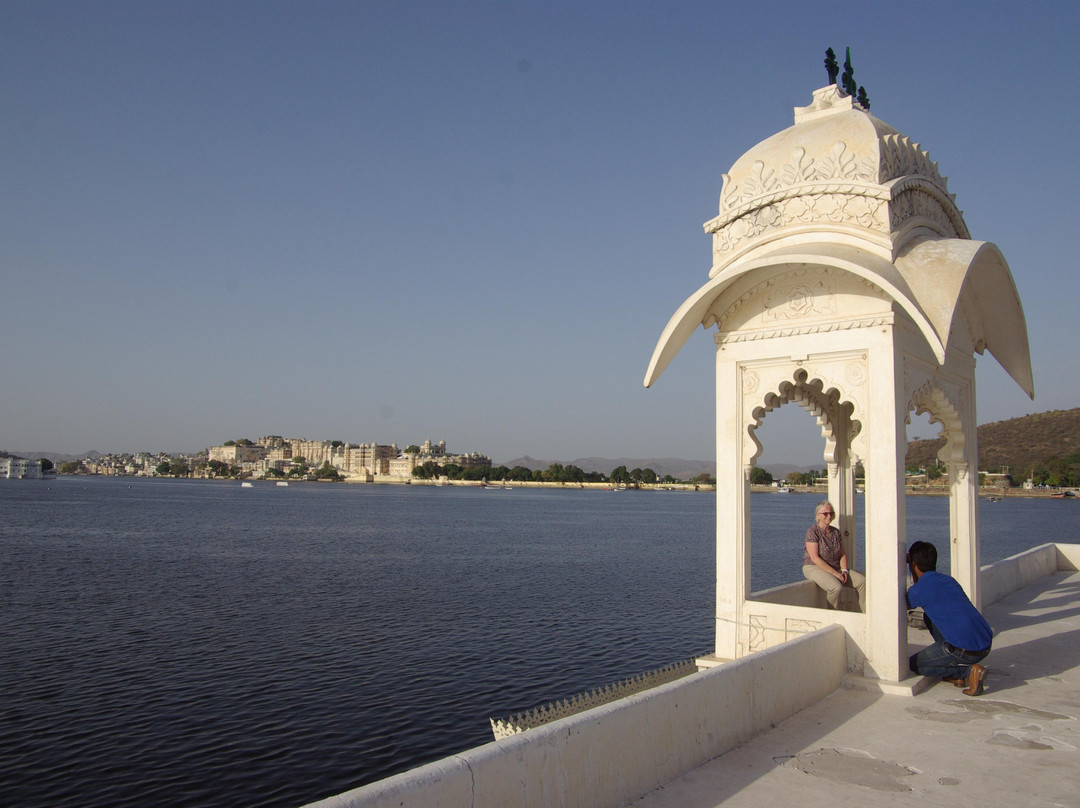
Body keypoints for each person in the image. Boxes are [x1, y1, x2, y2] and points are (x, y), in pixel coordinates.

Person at [906, 541, 992, 696]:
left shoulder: (918, 590)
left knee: (914, 664)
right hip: (985, 644)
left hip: (965, 651)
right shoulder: (948, 580)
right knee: (928, 616)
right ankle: (954, 671)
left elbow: (901, 606)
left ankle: (967, 672)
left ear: (913, 564)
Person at [802, 500, 866, 611]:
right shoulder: (813, 532)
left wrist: (844, 571)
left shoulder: (836, 532)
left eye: (831, 513)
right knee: (835, 588)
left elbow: (842, 554)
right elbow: (815, 558)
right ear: (818, 516)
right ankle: (832, 614)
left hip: (835, 567)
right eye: (825, 513)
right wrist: (836, 574)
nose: (829, 516)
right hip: (814, 567)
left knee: (862, 581)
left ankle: (865, 614)